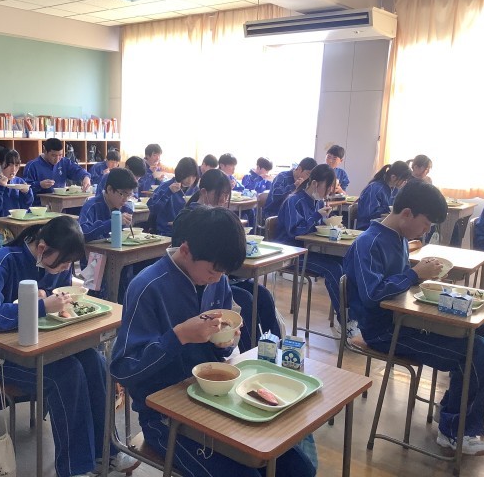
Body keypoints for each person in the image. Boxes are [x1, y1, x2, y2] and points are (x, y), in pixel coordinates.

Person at [111, 206, 316, 477]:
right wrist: (179, 336)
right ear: (186, 250)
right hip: (162, 417)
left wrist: (225, 343)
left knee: (298, 466)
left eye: (223, 273)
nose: (218, 280)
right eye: (213, 271)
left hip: (214, 397)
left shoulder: (217, 281)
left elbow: (221, 350)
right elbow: (123, 369)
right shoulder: (147, 287)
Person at [0, 216, 139, 477]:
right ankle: (74, 468)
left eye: (71, 264)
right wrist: (39, 306)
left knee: (95, 362)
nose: (66, 270)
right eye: (64, 263)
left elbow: (55, 308)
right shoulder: (4, 259)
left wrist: (57, 304)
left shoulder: (56, 265)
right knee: (67, 375)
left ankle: (107, 452)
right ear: (42, 248)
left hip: (44, 346)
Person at [344, 179, 484, 454]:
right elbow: (373, 296)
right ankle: (454, 432)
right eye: (426, 224)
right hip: (384, 331)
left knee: (480, 332)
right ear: (407, 213)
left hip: (406, 320)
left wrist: (423, 277)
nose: (427, 230)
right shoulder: (368, 243)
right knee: (476, 352)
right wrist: (414, 274)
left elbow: (401, 285)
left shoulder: (399, 238)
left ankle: (456, 410)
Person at [177, 169, 282, 351]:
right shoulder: (189, 219)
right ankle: (250, 351)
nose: (223, 200)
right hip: (202, 280)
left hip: (221, 276)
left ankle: (272, 350)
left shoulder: (220, 219)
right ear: (204, 192)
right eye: (220, 195)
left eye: (226, 195)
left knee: (263, 294)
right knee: (246, 300)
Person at [274, 164, 343, 325]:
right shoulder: (293, 201)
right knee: (333, 269)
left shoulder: (316, 202)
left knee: (344, 262)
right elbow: (295, 232)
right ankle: (345, 318)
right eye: (327, 188)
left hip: (307, 249)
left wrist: (328, 222)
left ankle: (349, 313)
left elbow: (313, 228)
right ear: (314, 183)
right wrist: (316, 216)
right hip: (290, 251)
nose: (328, 193)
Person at [0, 149, 34, 252]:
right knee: (13, 252)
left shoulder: (19, 181)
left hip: (19, 231)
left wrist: (27, 193)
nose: (13, 169)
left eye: (16, 165)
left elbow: (26, 208)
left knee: (35, 249)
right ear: (0, 163)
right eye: (9, 165)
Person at [24, 138, 91, 206]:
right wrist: (40, 185)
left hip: (61, 203)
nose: (57, 159)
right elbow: (24, 188)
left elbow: (78, 170)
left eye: (60, 155)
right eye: (53, 155)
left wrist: (86, 177)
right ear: (45, 151)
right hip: (39, 205)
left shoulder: (64, 162)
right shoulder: (32, 165)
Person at [79, 168, 136, 242]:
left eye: (129, 195)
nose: (125, 199)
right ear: (109, 189)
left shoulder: (126, 208)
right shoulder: (91, 206)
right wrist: (113, 222)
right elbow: (83, 234)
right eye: (122, 194)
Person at [147, 157, 198, 236]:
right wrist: (168, 192)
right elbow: (152, 208)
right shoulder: (166, 187)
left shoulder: (195, 190)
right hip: (167, 232)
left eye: (193, 177)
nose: (190, 180)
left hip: (188, 232)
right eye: (187, 176)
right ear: (180, 173)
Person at [355, 161, 411, 231]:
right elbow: (369, 214)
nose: (405, 183)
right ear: (393, 177)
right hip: (368, 227)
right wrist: (388, 211)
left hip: (383, 225)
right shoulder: (374, 188)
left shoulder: (395, 189)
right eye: (404, 180)